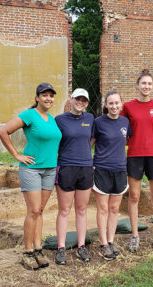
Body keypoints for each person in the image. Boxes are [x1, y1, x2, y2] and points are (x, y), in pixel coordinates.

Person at [0, 82, 62, 270]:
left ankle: (38, 248)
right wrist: (16, 155)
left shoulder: (51, 118)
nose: (48, 98)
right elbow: (3, 131)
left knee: (40, 210)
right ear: (37, 98)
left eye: (51, 95)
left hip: (50, 169)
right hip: (32, 169)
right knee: (33, 210)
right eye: (44, 95)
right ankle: (27, 252)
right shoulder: (29, 115)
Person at [121, 69, 153, 252]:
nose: (146, 86)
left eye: (149, 84)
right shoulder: (128, 106)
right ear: (137, 85)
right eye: (143, 83)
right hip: (134, 155)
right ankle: (135, 235)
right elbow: (121, 131)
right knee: (134, 197)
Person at [54, 88, 94, 265]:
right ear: (71, 100)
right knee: (64, 210)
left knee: (82, 209)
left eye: (84, 100)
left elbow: (91, 139)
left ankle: (81, 245)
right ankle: (61, 248)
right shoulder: (60, 120)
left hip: (85, 167)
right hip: (66, 167)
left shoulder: (90, 118)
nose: (81, 102)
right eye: (78, 99)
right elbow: (53, 140)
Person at [91, 91, 131, 260]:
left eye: (117, 103)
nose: (114, 106)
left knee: (114, 209)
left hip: (121, 170)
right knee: (103, 209)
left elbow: (126, 142)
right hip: (101, 169)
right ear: (105, 105)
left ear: (121, 104)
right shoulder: (98, 122)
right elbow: (89, 143)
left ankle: (111, 241)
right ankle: (103, 244)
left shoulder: (125, 122)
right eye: (111, 103)